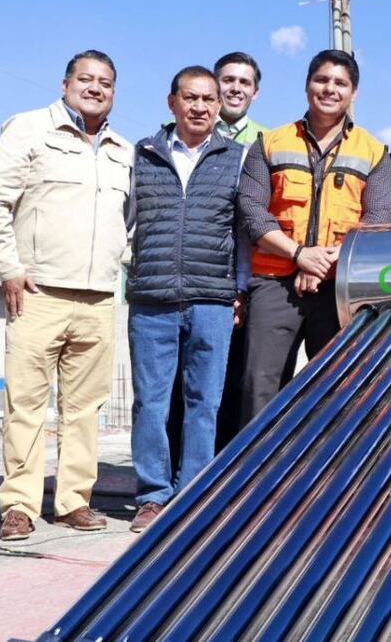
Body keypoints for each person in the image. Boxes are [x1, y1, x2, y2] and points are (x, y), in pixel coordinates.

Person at [0, 50, 132, 540]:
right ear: (65, 84)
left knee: (85, 408)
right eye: (86, 78)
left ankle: (72, 501)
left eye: (105, 82)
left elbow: (129, 225)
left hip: (99, 296)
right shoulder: (28, 129)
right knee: (27, 403)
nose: (96, 87)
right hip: (36, 291)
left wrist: (115, 263)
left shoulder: (121, 150)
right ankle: (19, 503)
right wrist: (10, 267)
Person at [237, 49, 391, 422]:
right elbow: (252, 213)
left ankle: (326, 476)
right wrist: (299, 255)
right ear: (308, 85)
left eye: (340, 83)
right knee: (260, 384)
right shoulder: (270, 142)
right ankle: (257, 474)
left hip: (338, 286)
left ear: (353, 93)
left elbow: (377, 218)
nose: (330, 88)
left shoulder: (374, 151)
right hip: (274, 283)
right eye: (322, 80)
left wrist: (323, 261)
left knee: (338, 386)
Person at [126, 66, 245, 532]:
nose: (200, 107)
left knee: (204, 401)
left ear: (219, 106)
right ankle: (153, 495)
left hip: (212, 298)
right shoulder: (141, 155)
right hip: (152, 297)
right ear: (171, 101)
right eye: (190, 98)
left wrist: (239, 290)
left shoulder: (236, 158)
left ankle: (193, 491)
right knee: (150, 402)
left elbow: (243, 232)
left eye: (208, 99)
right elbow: (122, 219)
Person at [166, 51, 269, 457]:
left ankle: (223, 467)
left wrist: (242, 286)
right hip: (184, 279)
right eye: (228, 81)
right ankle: (180, 469)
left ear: (255, 93)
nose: (235, 89)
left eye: (244, 83)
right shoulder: (173, 134)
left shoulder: (266, 142)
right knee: (181, 383)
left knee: (234, 380)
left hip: (238, 278)